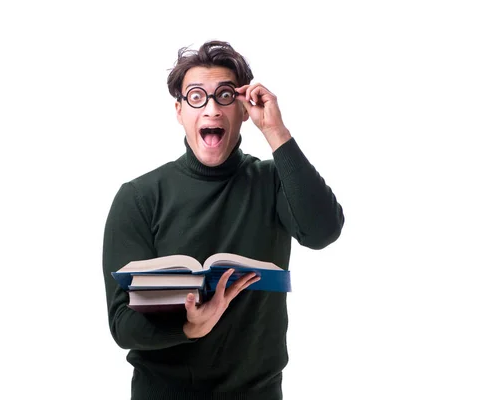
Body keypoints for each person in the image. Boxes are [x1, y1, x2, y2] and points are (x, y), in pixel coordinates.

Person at [102, 40, 344, 400]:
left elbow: (322, 231)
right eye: (197, 97)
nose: (212, 109)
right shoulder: (139, 197)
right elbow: (123, 324)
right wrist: (189, 327)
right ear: (179, 111)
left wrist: (276, 132)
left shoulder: (273, 181)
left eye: (225, 96)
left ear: (244, 109)